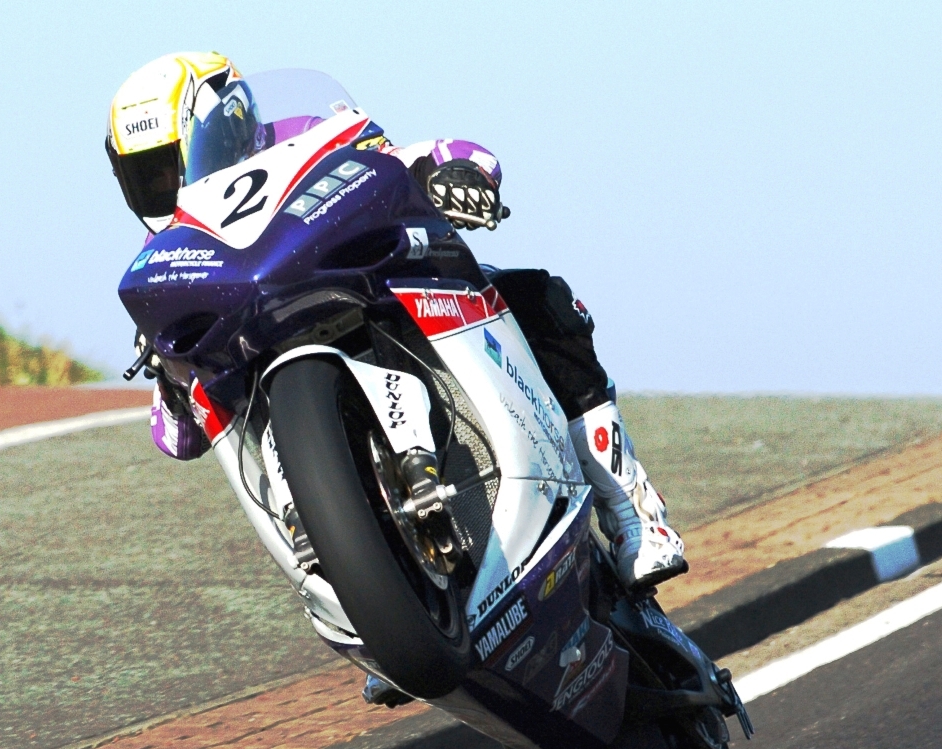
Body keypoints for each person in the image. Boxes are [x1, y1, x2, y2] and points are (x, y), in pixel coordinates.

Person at [105, 52, 687, 606]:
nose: (163, 185)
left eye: (169, 163)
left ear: (225, 119)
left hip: (382, 301)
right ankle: (347, 575)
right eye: (143, 175)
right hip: (278, 378)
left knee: (540, 300)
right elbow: (176, 441)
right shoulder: (174, 256)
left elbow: (419, 156)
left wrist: (455, 172)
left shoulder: (307, 132)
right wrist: (170, 375)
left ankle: (632, 511)